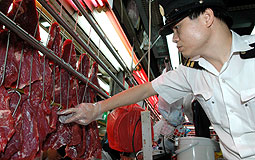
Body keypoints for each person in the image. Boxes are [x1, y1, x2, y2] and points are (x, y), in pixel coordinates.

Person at [58, 0, 255, 159]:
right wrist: (97, 109)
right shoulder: (191, 72)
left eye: (178, 28)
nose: (175, 38)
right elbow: (146, 89)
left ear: (207, 17)